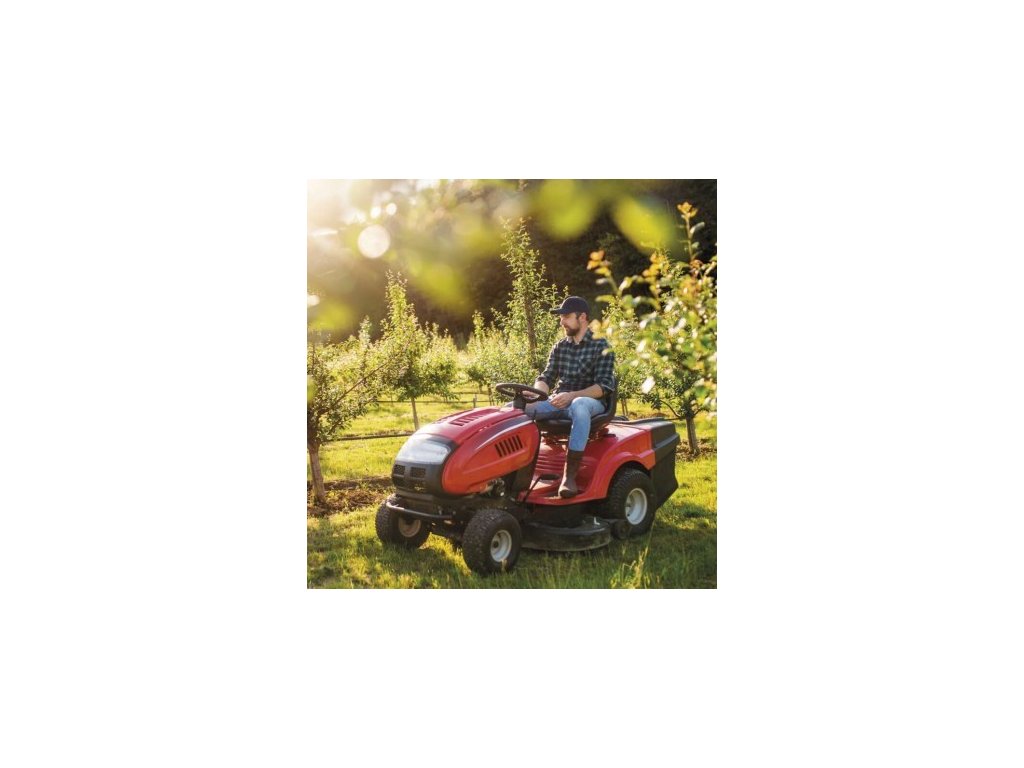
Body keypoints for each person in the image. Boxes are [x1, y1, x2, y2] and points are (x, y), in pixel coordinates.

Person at [525, 296, 616, 498]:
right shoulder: (560, 347)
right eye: (561, 317)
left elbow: (604, 386)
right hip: (560, 400)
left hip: (591, 402)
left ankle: (569, 476)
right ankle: (514, 468)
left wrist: (572, 396)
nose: (562, 321)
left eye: (566, 316)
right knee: (517, 408)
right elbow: (546, 377)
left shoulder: (601, 346)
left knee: (579, 404)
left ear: (582, 317)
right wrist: (535, 393)